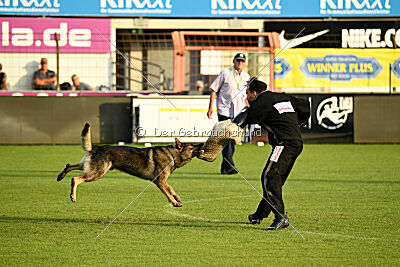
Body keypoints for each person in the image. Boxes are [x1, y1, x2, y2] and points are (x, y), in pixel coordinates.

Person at [233, 78, 310, 230]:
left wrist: (229, 127)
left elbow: (244, 119)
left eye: (247, 93)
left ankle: (280, 217)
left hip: (284, 144)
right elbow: (305, 106)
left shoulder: (261, 102)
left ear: (255, 93)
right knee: (275, 180)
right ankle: (259, 214)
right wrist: (299, 122)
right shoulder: (282, 96)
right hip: (296, 143)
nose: (246, 97)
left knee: (269, 176)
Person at [207, 53, 250, 174]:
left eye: (242, 61)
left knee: (232, 140)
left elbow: (246, 94)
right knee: (227, 138)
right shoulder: (225, 73)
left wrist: (248, 106)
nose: (240, 63)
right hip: (224, 110)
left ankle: (225, 167)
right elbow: (214, 90)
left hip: (238, 111)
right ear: (233, 61)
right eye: (238, 60)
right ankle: (229, 165)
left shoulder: (246, 76)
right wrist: (211, 107)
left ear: (245, 63)